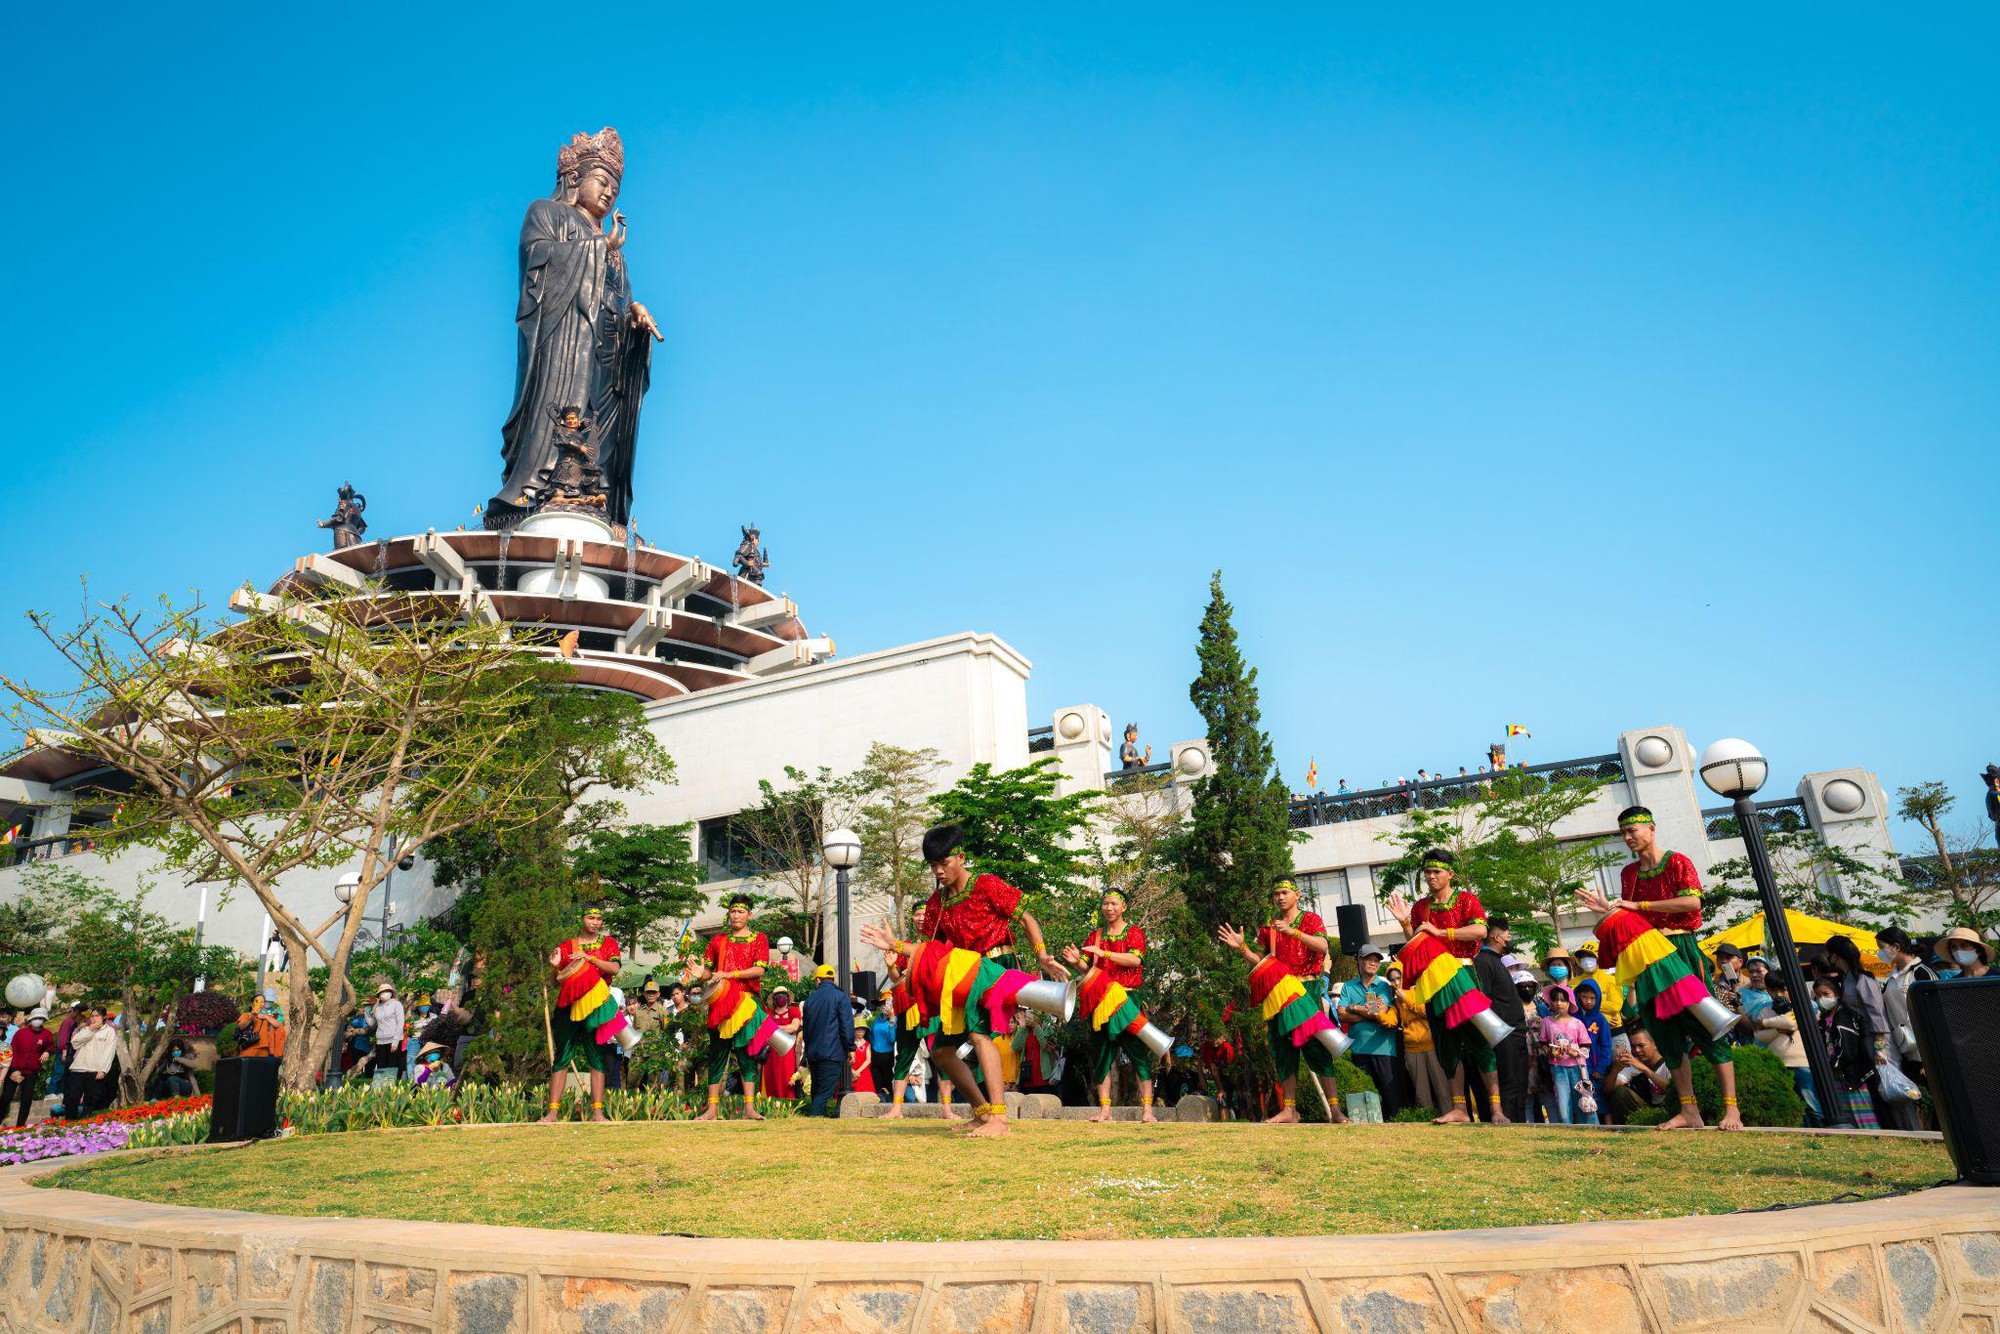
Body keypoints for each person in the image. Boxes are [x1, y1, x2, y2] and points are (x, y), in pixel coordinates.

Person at [1579, 805, 1742, 1131]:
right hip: (1648, 958)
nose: (1628, 838)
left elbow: (1693, 902)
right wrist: (1607, 912)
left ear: (1651, 829)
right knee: (1665, 1038)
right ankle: (1688, 1111)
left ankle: (1732, 1110)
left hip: (1680, 950)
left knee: (1708, 1028)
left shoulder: (1677, 861)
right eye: (1623, 833)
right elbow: (1630, 918)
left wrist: (1639, 906)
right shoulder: (1629, 874)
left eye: (1632, 831)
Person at [912, 823, 1068, 1137]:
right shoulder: (936, 903)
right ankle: (983, 1113)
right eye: (933, 866)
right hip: (964, 975)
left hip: (996, 966)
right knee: (941, 1049)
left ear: (961, 857)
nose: (939, 871)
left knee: (979, 1034)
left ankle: (1000, 1120)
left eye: (944, 863)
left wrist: (1041, 954)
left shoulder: (986, 885)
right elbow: (932, 948)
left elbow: (1025, 917)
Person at [1217, 878, 1350, 1125]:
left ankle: (1335, 1110)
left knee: (1317, 1046)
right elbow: (1262, 960)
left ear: (1297, 895)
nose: (1280, 897)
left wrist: (1294, 932)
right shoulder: (1269, 928)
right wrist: (1242, 947)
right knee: (1282, 1048)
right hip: (1278, 993)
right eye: (1276, 893)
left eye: (1285, 892)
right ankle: (1289, 1110)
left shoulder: (1310, 920)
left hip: (1305, 989)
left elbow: (1322, 946)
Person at [1386, 849, 1501, 1124]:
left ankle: (1496, 1108)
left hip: (1462, 974)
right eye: (1427, 872)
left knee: (1479, 1040)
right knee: (1446, 1045)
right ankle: (1459, 1109)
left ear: (1451, 874)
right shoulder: (1421, 907)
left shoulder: (1465, 900)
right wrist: (1404, 921)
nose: (1431, 876)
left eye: (1436, 872)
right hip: (1434, 982)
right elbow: (1415, 943)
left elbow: (1480, 931)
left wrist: (1442, 933)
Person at [1062, 888, 1157, 1122]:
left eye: (1114, 903)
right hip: (1101, 1000)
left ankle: (1147, 1110)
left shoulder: (1134, 933)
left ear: (1124, 907)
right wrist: (1076, 963)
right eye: (1105, 903)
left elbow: (1135, 959)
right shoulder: (1094, 936)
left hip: (1127, 1000)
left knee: (1138, 1055)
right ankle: (1105, 1110)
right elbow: (1089, 970)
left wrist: (1104, 953)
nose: (1109, 908)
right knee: (1102, 1055)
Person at [541, 903, 623, 1123]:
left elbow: (614, 969)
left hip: (595, 1007)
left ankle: (597, 1113)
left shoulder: (608, 943)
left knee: (596, 1057)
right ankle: (553, 1113)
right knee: (562, 1056)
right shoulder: (567, 946)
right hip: (569, 1007)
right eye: (590, 918)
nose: (595, 922)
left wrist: (590, 959)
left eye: (599, 919)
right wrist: (555, 967)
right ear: (582, 919)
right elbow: (555, 982)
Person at [696, 895, 773, 1121]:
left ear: (749, 914)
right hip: (720, 1004)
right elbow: (710, 973)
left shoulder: (759, 939)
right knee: (717, 1055)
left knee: (747, 1056)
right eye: (732, 912)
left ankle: (749, 1108)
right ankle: (712, 1109)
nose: (736, 916)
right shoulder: (717, 941)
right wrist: (703, 975)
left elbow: (759, 969)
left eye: (740, 912)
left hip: (746, 1004)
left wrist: (731, 974)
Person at [1472, 916, 1529, 1123]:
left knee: (1520, 1084)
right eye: (1507, 933)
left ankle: (1519, 1123)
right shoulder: (1483, 961)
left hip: (1516, 1034)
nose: (1509, 937)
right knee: (1509, 1084)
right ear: (1496, 936)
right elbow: (1482, 1001)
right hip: (1503, 1035)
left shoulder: (1497, 961)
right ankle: (1507, 1123)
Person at [1337, 942, 1402, 1120]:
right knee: (1363, 1095)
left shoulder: (1384, 986)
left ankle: (1394, 1127)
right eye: (1369, 959)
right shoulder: (1348, 986)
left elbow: (1378, 1013)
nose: (1373, 963)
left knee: (1389, 1094)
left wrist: (1353, 1007)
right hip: (1358, 1048)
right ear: (1359, 960)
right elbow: (1341, 1015)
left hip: (1384, 1049)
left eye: (1376, 960)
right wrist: (1367, 1011)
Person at [1753, 972, 1820, 1125]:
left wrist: (1765, 1023)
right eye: (1772, 990)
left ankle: (1821, 1131)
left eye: (1783, 990)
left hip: (1802, 1064)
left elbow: (1791, 1022)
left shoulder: (1802, 1005)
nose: (1778, 994)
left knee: (1811, 1105)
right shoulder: (1765, 1010)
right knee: (1788, 1105)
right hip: (1777, 1064)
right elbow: (1759, 1036)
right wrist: (1777, 1030)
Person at [1814, 976, 1879, 1130]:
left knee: (1863, 1117)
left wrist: (1837, 1063)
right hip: (1838, 1075)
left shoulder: (1845, 1016)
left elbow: (1849, 1048)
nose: (1821, 999)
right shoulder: (1826, 1018)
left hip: (1854, 1075)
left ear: (1837, 994)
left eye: (1826, 994)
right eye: (1817, 995)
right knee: (1847, 1115)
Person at [802, 963, 850, 1117]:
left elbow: (806, 1030)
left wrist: (807, 1053)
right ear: (832, 979)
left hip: (814, 1052)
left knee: (817, 1090)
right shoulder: (841, 996)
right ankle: (815, 1120)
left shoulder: (810, 1000)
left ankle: (817, 1119)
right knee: (824, 1092)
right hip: (833, 1052)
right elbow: (846, 1025)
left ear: (818, 979)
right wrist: (851, 1048)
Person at [1538, 986, 1591, 1125]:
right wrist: (1550, 1052)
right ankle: (1566, 1129)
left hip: (1578, 1068)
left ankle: (1589, 1128)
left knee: (1582, 1098)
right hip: (1558, 1068)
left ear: (1570, 1002)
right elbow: (1543, 1043)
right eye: (1555, 1000)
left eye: (1563, 1000)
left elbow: (1586, 1047)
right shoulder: (1547, 1022)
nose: (1559, 1003)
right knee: (1562, 1102)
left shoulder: (1577, 1023)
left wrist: (1574, 1052)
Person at [1395, 972, 1448, 1113]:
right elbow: (1394, 1020)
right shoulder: (1395, 997)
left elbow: (1428, 1012)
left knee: (1442, 1088)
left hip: (1431, 1043)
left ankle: (1450, 1116)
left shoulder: (1420, 988)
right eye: (1392, 979)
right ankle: (1426, 1120)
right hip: (1412, 1047)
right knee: (1421, 1093)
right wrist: (1378, 1013)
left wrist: (1407, 1000)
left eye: (1398, 977)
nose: (1395, 982)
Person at [63, 1006, 118, 1120]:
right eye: (92, 1016)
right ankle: (69, 1120)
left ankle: (86, 1120)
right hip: (79, 1068)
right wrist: (90, 1029)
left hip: (94, 1069)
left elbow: (109, 1052)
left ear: (104, 1017)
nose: (94, 1018)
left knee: (91, 1098)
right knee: (72, 1096)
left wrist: (103, 1069)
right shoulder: (86, 1030)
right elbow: (75, 1043)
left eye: (97, 1016)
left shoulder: (109, 1032)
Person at [0, 1010, 53, 1127]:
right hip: (15, 1070)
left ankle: (20, 1126)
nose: (37, 1020)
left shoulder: (47, 1034)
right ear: (30, 1019)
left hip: (31, 1072)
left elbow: (50, 1046)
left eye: (40, 1018)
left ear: (44, 1020)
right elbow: (12, 1051)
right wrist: (14, 1070)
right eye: (35, 1018)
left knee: (26, 1101)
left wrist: (47, 1052)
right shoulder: (21, 1033)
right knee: (6, 1098)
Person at [1607, 1029, 1672, 1121]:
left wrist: (1644, 1069)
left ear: (1654, 1044)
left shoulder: (1669, 1064)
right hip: (1648, 1111)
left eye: (1641, 1046)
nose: (1637, 1050)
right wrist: (1616, 1068)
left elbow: (1673, 1089)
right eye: (1633, 1047)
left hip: (1671, 1111)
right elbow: (1608, 1089)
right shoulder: (1633, 1064)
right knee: (1620, 1092)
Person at [1572, 979, 1612, 1126]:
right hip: (1577, 1067)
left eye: (1593, 998)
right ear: (1578, 996)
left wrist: (1601, 1067)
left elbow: (1606, 1045)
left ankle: (1608, 1128)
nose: (1588, 1001)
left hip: (1595, 1070)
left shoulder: (1600, 1020)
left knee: (1600, 1100)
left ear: (1598, 998)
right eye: (1585, 997)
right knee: (1580, 1100)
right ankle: (1584, 1128)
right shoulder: (1573, 1018)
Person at [1571, 941, 1626, 1040]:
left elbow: (1615, 1006)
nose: (1586, 960)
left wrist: (1587, 1005)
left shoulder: (1611, 980)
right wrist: (1604, 1017)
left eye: (1590, 955)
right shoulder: (1574, 983)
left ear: (1598, 957)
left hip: (1614, 1031)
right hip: (1588, 1033)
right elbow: (1576, 1007)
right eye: (1583, 956)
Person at [760, 986, 803, 1100]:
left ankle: (788, 1102)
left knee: (786, 1077)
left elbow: (794, 1027)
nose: (781, 998)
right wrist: (784, 1027)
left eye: (783, 995)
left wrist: (774, 1028)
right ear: (773, 1000)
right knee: (771, 1078)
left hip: (788, 1051)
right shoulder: (769, 1013)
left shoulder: (794, 1011)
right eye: (778, 996)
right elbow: (764, 1028)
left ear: (788, 998)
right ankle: (771, 1103)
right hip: (771, 1053)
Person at [368, 984, 405, 1086]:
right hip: (380, 1040)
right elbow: (371, 1023)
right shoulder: (378, 1007)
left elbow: (400, 1022)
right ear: (379, 995)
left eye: (387, 991)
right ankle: (379, 1091)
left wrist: (396, 1040)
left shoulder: (396, 1004)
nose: (384, 994)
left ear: (391, 992)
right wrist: (367, 1013)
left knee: (391, 1067)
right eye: (382, 992)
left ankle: (390, 1091)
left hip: (393, 1040)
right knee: (381, 1067)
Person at [236, 993, 288, 1059]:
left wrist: (265, 1017)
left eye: (262, 1002)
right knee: (246, 1068)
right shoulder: (246, 1015)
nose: (260, 1004)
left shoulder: (265, 1017)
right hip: (249, 1048)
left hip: (264, 1050)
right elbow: (241, 1026)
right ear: (252, 1004)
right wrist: (252, 1016)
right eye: (257, 1001)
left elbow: (278, 1025)